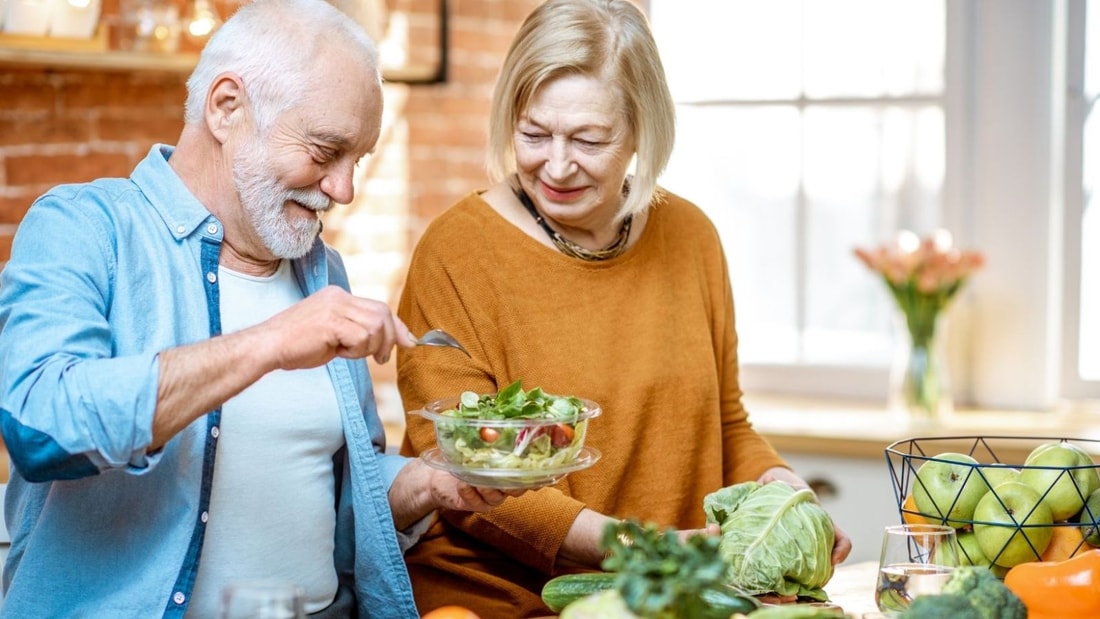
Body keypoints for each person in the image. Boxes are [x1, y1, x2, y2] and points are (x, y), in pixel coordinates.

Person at [0, 1, 516, 617]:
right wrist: (269, 342)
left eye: (360, 160)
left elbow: (328, 498)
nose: (344, 190)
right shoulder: (85, 227)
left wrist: (430, 483)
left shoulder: (321, 272)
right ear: (226, 107)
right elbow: (40, 425)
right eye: (326, 151)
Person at [394, 0, 854, 616]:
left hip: (668, 593)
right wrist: (643, 548)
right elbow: (458, 471)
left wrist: (785, 495)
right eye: (532, 134)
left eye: (589, 139)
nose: (555, 165)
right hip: (497, 600)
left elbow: (726, 422)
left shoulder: (691, 237)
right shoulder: (457, 251)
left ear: (642, 130)